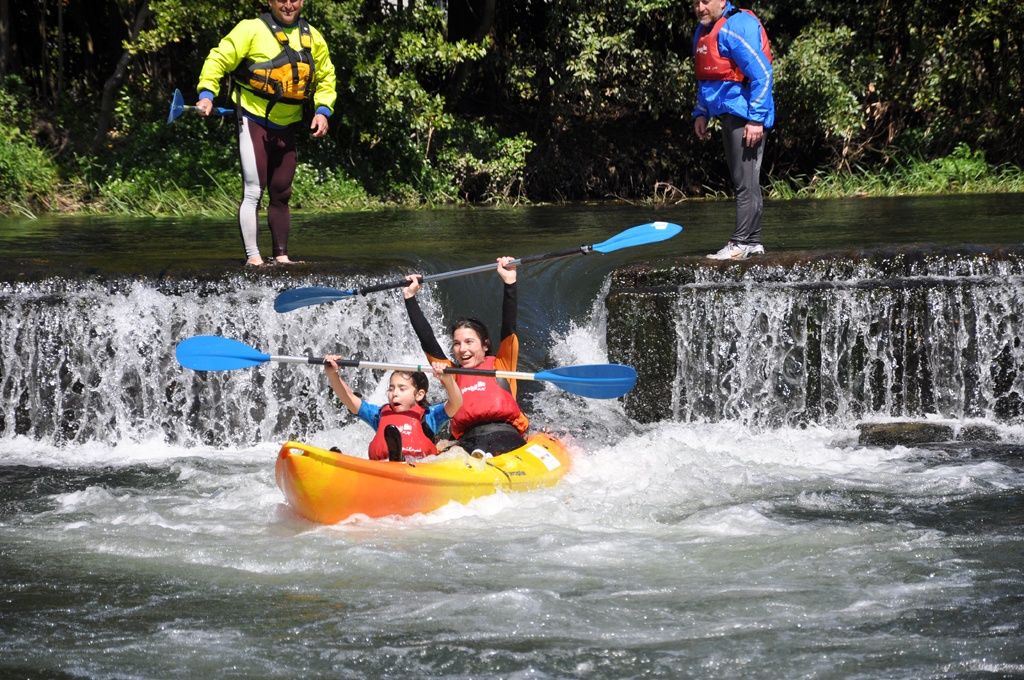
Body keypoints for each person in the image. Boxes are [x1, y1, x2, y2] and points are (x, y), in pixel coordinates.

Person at [195, 0, 337, 267]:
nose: (288, 4)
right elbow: (218, 58)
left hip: (287, 125)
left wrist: (322, 111)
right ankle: (254, 258)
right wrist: (206, 94)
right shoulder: (251, 29)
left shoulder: (313, 37)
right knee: (253, 192)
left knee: (282, 193)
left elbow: (327, 78)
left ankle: (281, 256)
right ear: (270, 1)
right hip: (252, 120)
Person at [402, 258, 530, 456]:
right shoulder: (451, 374)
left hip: (505, 436)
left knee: (492, 452)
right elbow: (428, 340)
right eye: (457, 343)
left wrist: (509, 282)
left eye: (469, 342)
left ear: (485, 345)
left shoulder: (503, 363)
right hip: (468, 440)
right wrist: (410, 298)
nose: (462, 349)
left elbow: (508, 327)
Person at [691, 0, 774, 260]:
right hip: (727, 115)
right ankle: (752, 242)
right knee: (746, 182)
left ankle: (739, 243)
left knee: (744, 183)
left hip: (746, 115)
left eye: (705, 1)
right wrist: (701, 112)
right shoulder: (703, 31)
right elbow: (707, 75)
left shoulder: (737, 26)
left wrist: (756, 119)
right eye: (695, 2)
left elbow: (762, 73)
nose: (700, 7)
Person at [324, 358, 462, 462]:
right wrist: (333, 374)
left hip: (418, 471)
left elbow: (456, 403)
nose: (394, 393)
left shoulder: (430, 416)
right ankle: (341, 465)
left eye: (402, 389)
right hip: (384, 470)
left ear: (419, 394)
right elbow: (349, 398)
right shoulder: (379, 414)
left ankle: (398, 457)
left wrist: (448, 379)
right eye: (391, 388)